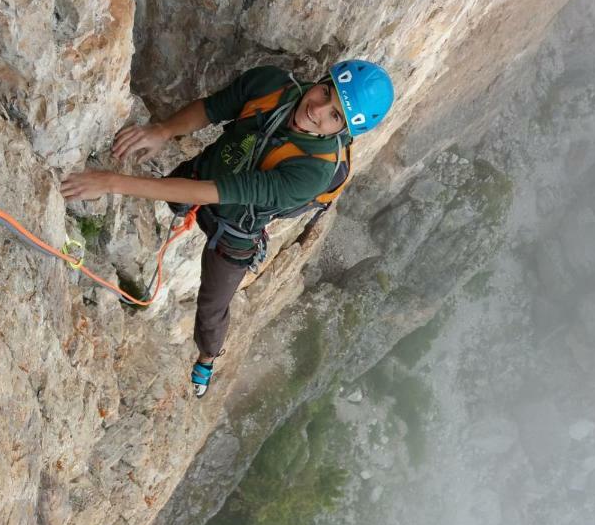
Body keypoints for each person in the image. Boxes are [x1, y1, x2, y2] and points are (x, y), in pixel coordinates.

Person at [61, 60, 394, 397]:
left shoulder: (311, 173)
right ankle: (181, 209)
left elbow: (216, 192)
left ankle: (207, 357)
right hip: (211, 169)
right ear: (321, 80)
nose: (318, 109)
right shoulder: (271, 85)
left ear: (343, 131)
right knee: (177, 200)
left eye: (335, 115)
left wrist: (110, 182)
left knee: (211, 309)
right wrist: (163, 130)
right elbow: (212, 108)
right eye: (326, 92)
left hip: (236, 228)